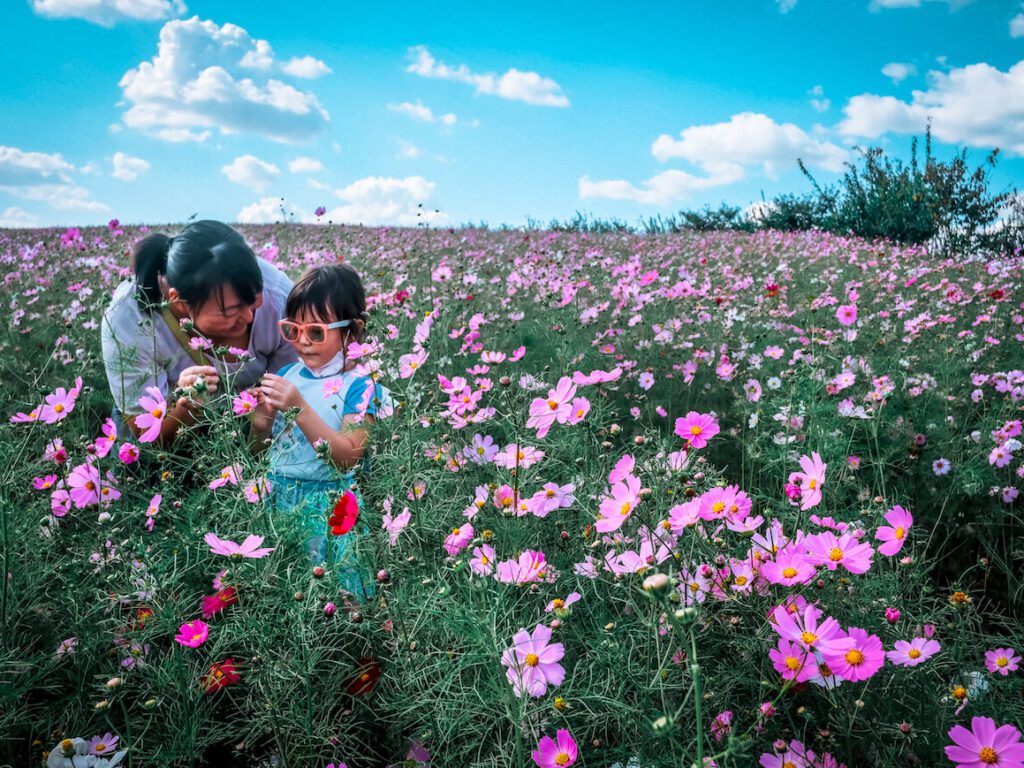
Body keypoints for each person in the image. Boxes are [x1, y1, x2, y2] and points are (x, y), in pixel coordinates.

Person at [250, 263, 392, 600]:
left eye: (315, 332)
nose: (302, 342)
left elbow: (347, 456)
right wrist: (260, 420)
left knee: (340, 593)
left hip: (332, 504)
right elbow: (259, 449)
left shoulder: (360, 386)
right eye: (292, 330)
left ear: (353, 331)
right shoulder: (287, 373)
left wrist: (297, 407)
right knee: (290, 589)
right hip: (281, 499)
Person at [100, 220, 298, 445]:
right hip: (173, 430)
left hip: (252, 422)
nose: (250, 318)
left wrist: (259, 433)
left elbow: (294, 397)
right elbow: (149, 440)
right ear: (179, 301)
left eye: (254, 302)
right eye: (230, 311)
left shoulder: (279, 296)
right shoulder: (128, 320)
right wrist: (188, 405)